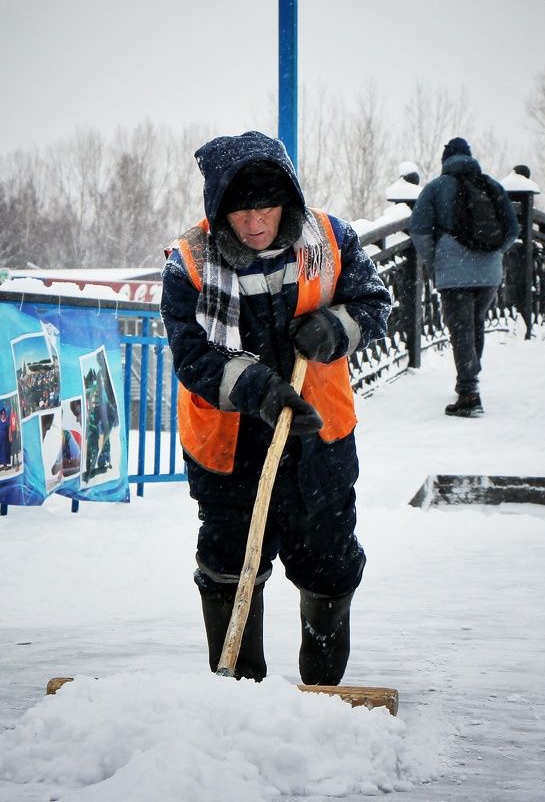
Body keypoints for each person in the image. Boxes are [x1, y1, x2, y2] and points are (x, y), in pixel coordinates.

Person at [161, 130, 391, 685]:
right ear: (219, 211)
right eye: (241, 212)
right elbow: (192, 355)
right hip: (229, 445)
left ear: (287, 201)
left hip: (321, 437)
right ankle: (241, 694)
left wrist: (335, 326)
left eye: (266, 207)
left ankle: (321, 689)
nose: (256, 222)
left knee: (329, 567)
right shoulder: (189, 263)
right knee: (229, 567)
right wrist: (258, 388)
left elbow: (374, 303)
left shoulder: (331, 239)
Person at [410, 137, 519, 417]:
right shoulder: (492, 186)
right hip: (489, 274)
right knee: (475, 325)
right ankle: (469, 379)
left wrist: (436, 262)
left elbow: (420, 231)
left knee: (461, 331)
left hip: (454, 273)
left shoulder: (435, 188)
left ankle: (469, 394)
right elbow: (512, 230)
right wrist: (493, 253)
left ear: (445, 160)